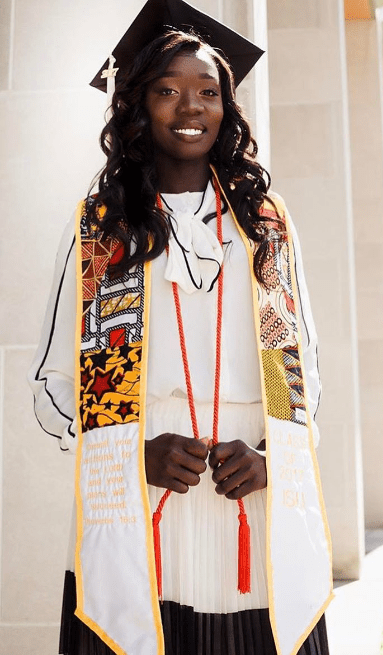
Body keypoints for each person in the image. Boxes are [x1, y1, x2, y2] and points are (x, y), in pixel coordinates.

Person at [28, 2, 332, 654]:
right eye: (167, 90)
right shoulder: (101, 228)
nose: (189, 107)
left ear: (227, 108)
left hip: (250, 515)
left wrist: (271, 460)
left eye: (207, 92)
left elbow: (307, 374)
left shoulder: (265, 227)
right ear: (137, 107)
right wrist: (132, 453)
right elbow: (53, 385)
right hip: (139, 516)